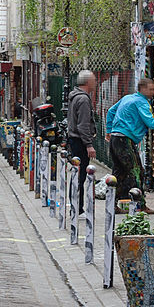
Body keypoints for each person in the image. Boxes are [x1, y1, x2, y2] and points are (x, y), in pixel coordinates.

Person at [105, 78, 154, 213]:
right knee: (137, 172)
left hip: (116, 138)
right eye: (151, 89)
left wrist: (108, 130)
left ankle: (112, 204)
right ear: (143, 89)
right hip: (125, 140)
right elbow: (151, 123)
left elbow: (111, 111)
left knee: (119, 172)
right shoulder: (141, 102)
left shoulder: (127, 98)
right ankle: (140, 205)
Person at [66, 70, 97, 214]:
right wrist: (89, 145)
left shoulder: (74, 96)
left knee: (76, 175)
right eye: (94, 80)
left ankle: (75, 205)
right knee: (80, 176)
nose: (95, 82)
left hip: (74, 139)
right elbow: (83, 125)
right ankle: (77, 208)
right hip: (79, 142)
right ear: (87, 82)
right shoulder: (83, 99)